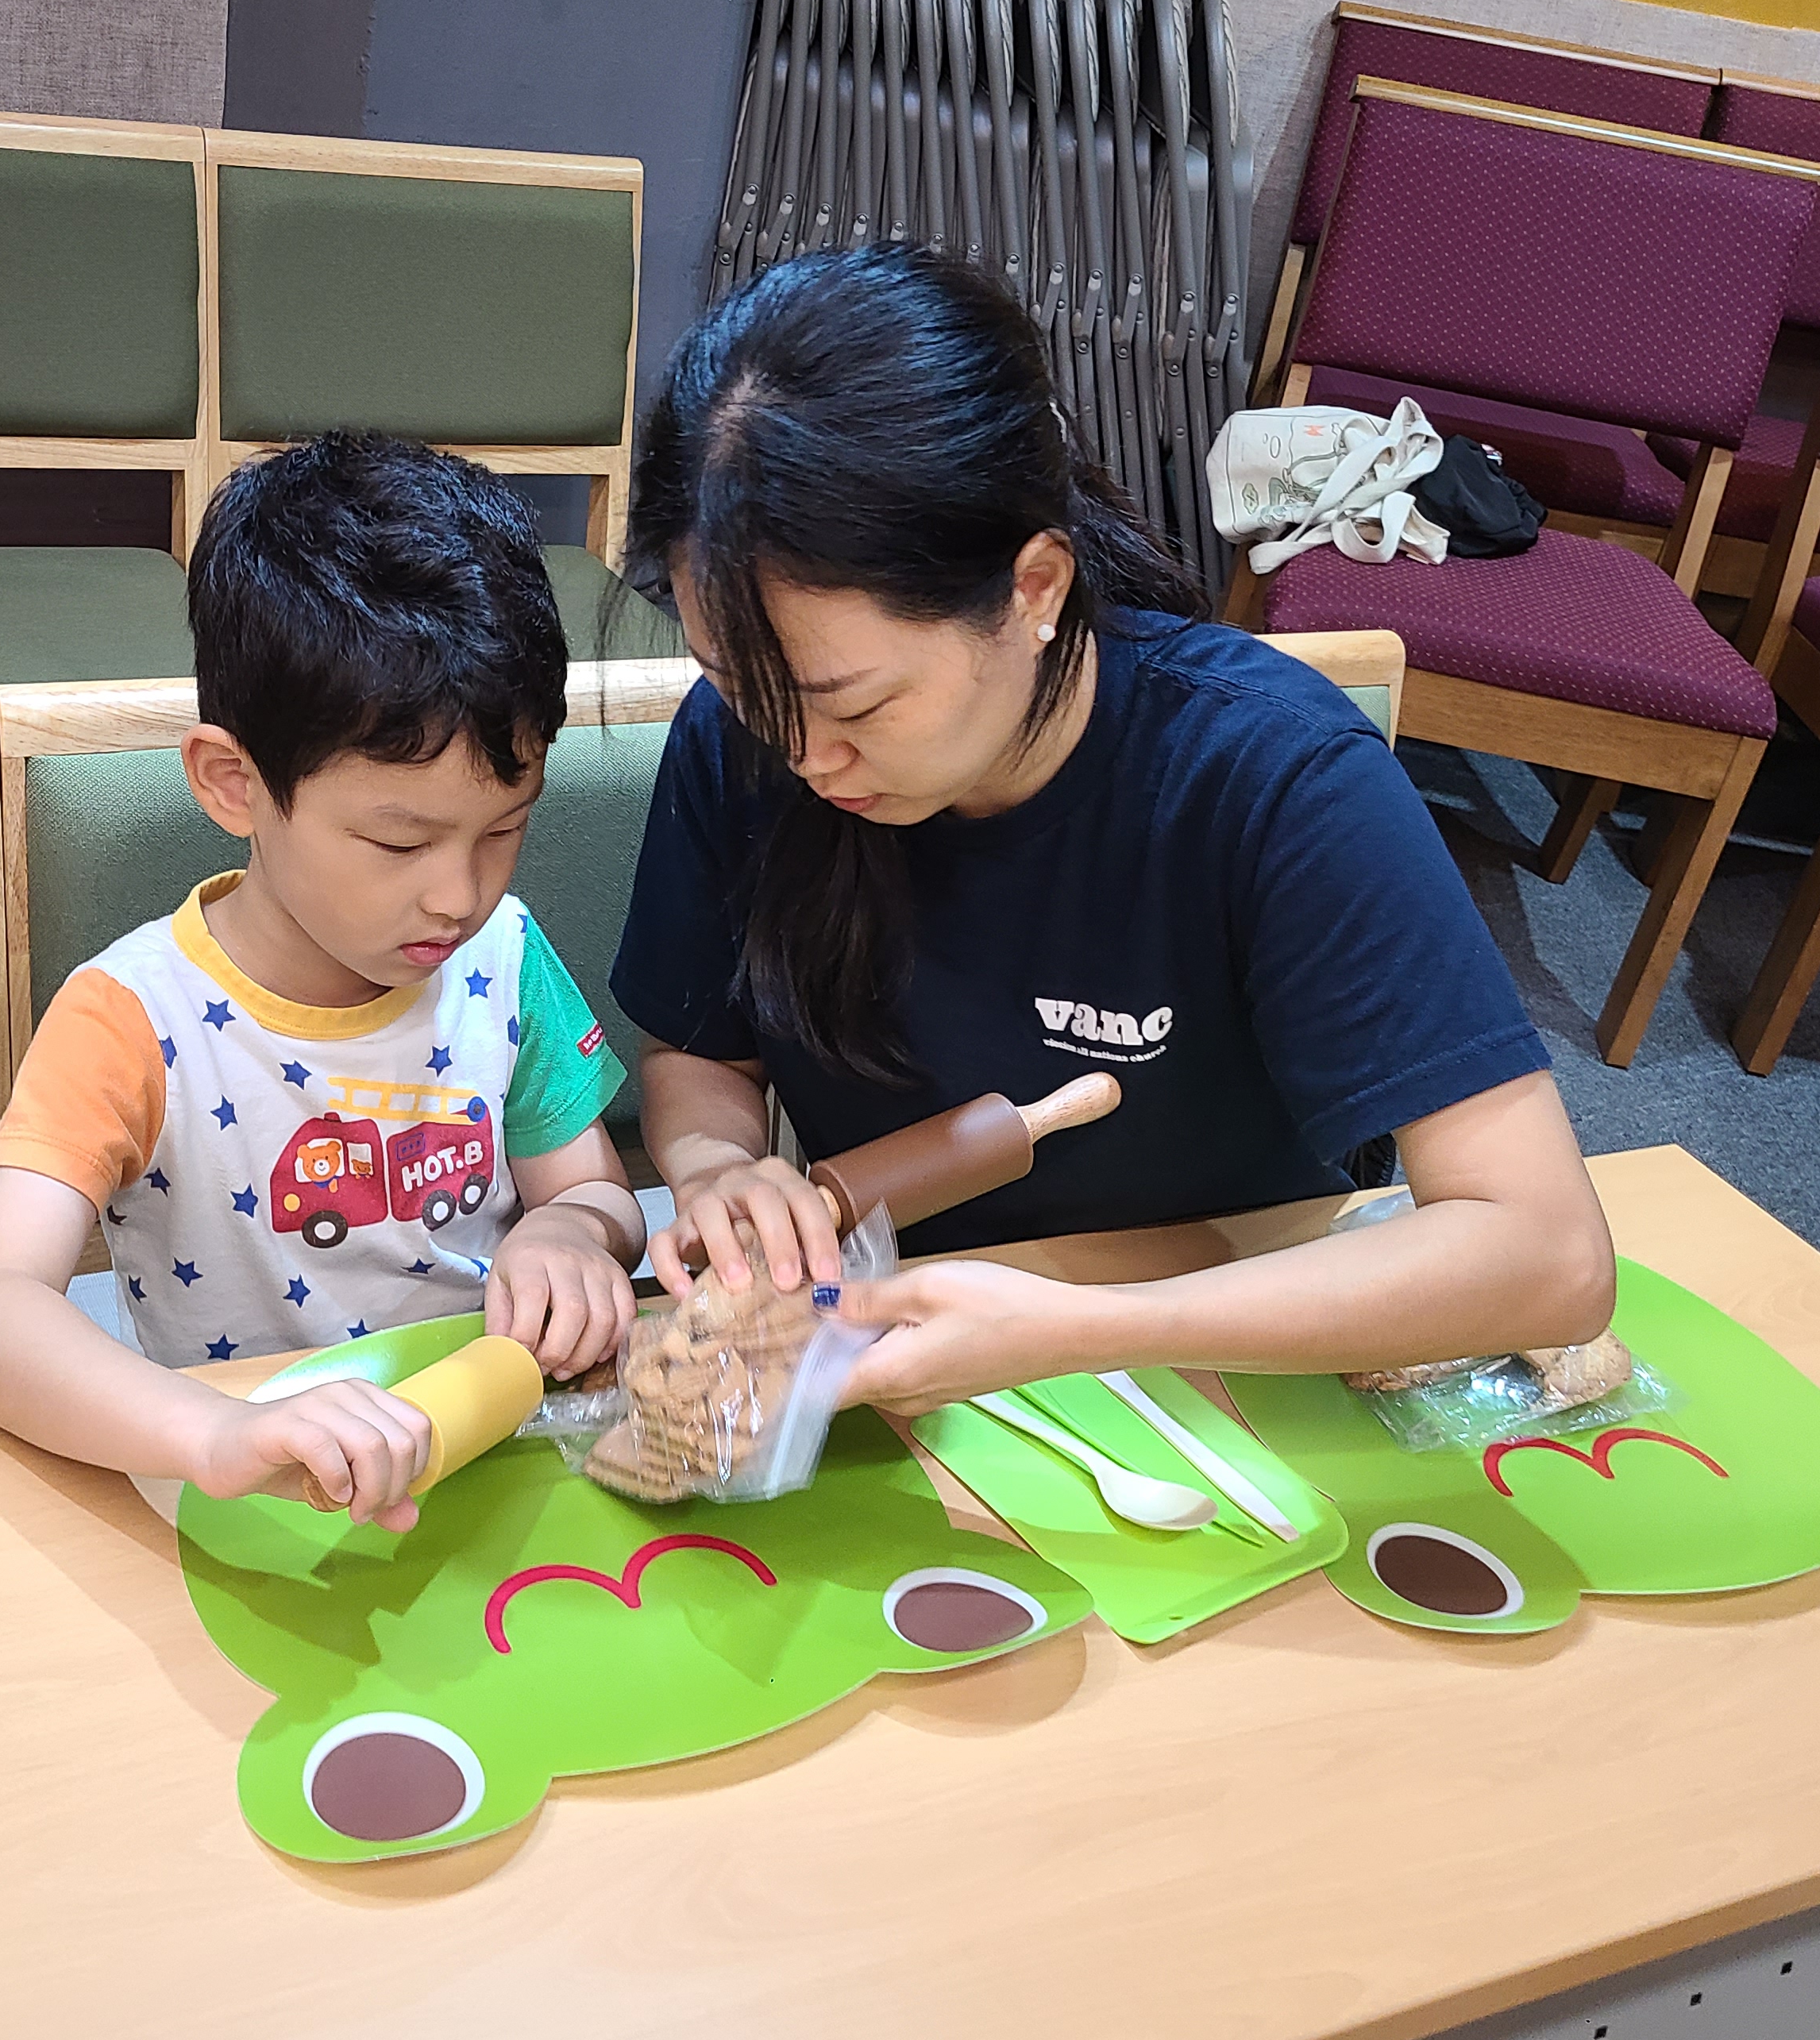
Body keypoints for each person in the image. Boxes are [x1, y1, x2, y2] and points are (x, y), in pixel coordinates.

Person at [608, 245, 1617, 1415]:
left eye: (856, 705)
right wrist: (717, 1166)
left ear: (1033, 590)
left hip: (1235, 1335)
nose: (797, 752)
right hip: (897, 1349)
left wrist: (1084, 1331)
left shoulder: (1271, 776)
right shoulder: (738, 743)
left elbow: (1549, 1255)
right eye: (736, 681)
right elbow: (700, 1052)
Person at [0, 433, 649, 1529]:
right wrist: (214, 1435)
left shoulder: (502, 955)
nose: (459, 895)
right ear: (235, 783)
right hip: (256, 1502)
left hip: (497, 1479)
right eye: (400, 843)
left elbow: (593, 1193)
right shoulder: (134, 1018)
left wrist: (574, 1235)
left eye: (505, 828)